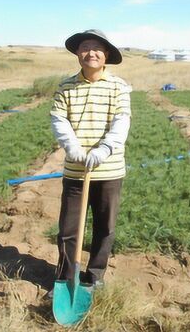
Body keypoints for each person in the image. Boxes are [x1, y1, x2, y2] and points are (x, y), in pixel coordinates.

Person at [50, 29, 131, 287]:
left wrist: (104, 149)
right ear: (77, 53)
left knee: (104, 228)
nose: (91, 53)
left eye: (97, 48)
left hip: (109, 171)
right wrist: (73, 148)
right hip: (75, 171)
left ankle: (95, 276)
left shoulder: (118, 86)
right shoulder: (65, 86)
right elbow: (59, 119)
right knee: (68, 230)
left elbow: (121, 121)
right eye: (85, 47)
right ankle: (65, 278)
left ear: (106, 54)